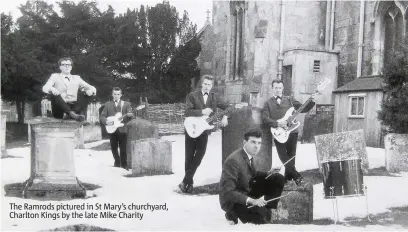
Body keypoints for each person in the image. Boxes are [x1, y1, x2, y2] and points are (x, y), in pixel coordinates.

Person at [219, 128, 285, 225]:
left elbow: (252, 175)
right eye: (253, 142)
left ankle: (268, 209)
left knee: (278, 178)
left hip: (247, 190)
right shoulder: (233, 161)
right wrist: (253, 201)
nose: (256, 146)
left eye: (259, 143)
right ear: (244, 142)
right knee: (260, 220)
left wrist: (268, 173)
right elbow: (229, 192)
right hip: (233, 201)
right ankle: (232, 213)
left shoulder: (249, 155)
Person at [178, 74, 230, 194]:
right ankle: (189, 184)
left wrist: (225, 116)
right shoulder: (193, 95)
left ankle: (185, 181)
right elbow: (187, 111)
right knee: (189, 156)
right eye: (205, 84)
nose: (207, 87)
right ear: (202, 84)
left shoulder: (214, 97)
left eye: (209, 84)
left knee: (200, 155)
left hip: (204, 130)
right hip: (191, 128)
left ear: (212, 86)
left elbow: (228, 107)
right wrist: (202, 111)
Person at [261, 79, 315, 186]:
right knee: (283, 156)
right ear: (272, 88)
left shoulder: (290, 99)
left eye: (279, 88)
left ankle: (288, 179)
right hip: (278, 133)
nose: (278, 90)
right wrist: (277, 124)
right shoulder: (268, 103)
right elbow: (265, 118)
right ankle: (297, 177)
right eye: (275, 88)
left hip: (292, 132)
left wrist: (312, 101)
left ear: (283, 88)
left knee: (291, 156)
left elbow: (302, 109)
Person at [42, 57, 96, 121]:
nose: (67, 67)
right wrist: (52, 89)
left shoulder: (77, 78)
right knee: (54, 94)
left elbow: (91, 87)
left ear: (71, 67)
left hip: (74, 107)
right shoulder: (55, 76)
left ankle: (71, 114)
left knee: (88, 94)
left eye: (69, 65)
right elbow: (45, 87)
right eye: (64, 65)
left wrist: (91, 91)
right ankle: (71, 115)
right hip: (59, 107)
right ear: (60, 67)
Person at [100, 87, 134, 169]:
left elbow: (131, 115)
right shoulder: (107, 104)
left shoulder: (126, 104)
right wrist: (106, 121)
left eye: (118, 94)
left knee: (123, 148)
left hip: (122, 129)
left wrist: (130, 115)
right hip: (112, 128)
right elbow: (102, 116)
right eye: (114, 94)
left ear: (121, 95)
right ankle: (117, 163)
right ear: (112, 94)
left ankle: (124, 164)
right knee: (113, 147)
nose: (116, 96)